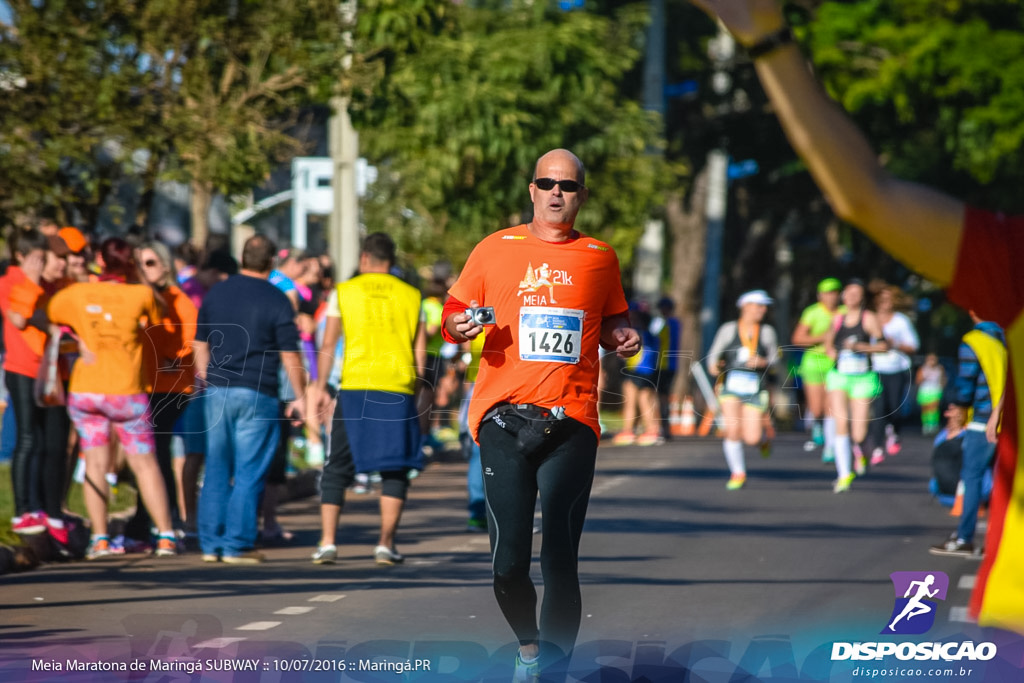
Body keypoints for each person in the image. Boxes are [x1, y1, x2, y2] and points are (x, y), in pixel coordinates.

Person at [692, 0, 1024, 630]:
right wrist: (768, 38)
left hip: (863, 373)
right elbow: (866, 196)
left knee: (842, 420)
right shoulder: (1014, 261)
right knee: (827, 419)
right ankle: (834, 456)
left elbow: (869, 202)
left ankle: (850, 456)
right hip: (1019, 625)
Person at [440, 149, 641, 680]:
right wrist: (457, 327)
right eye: (547, 183)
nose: (557, 193)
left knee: (559, 560)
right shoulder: (494, 247)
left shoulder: (601, 256)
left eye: (568, 186)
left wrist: (622, 335)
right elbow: (454, 310)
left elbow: (615, 318)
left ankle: (552, 671)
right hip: (503, 419)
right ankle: (529, 648)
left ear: (581, 196)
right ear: (531, 190)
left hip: (572, 422)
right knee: (507, 565)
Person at [47, 237, 177, 559]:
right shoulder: (141, 294)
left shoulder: (77, 294)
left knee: (95, 464)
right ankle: (165, 535)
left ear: (100, 262)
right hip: (126, 392)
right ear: (130, 263)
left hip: (87, 391)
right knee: (145, 464)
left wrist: (77, 336)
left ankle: (101, 538)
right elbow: (162, 319)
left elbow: (49, 314)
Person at [311, 232, 426, 566]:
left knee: (337, 466)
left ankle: (328, 543)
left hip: (356, 386)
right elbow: (419, 352)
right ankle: (385, 544)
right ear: (391, 261)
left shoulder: (344, 292)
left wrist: (320, 387)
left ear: (364, 259)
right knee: (395, 469)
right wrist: (417, 391)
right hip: (397, 387)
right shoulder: (412, 295)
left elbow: (329, 344)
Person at [194, 234, 306, 564]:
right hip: (259, 392)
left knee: (215, 467)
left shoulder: (217, 293)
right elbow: (290, 355)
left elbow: (200, 344)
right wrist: (300, 395)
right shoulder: (277, 298)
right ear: (271, 263)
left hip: (217, 390)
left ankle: (210, 544)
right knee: (248, 472)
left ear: (242, 257)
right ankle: (236, 544)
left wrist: (206, 380)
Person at [125, 241, 197, 546]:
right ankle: (148, 521)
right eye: (140, 263)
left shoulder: (177, 299)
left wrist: (169, 356)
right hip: (140, 385)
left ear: (166, 266)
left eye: (151, 263)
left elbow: (190, 341)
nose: (145, 269)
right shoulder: (135, 297)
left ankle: (153, 522)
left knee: (156, 452)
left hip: (170, 388)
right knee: (146, 455)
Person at [929, 313, 1005, 558]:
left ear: (973, 311)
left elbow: (966, 382)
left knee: (971, 477)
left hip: (983, 419)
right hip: (1011, 420)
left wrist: (958, 405)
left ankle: (964, 538)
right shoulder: (1010, 336)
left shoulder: (975, 340)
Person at [707, 290, 779, 490]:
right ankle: (738, 473)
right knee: (732, 429)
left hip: (756, 389)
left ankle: (762, 440)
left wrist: (764, 361)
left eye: (764, 306)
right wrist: (713, 365)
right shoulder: (729, 329)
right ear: (745, 306)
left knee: (752, 437)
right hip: (731, 386)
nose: (762, 310)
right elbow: (713, 355)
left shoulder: (766, 332)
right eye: (758, 305)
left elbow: (777, 359)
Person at [822, 280, 888, 492]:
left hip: (863, 377)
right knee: (841, 422)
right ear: (843, 296)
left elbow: (883, 346)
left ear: (862, 297)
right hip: (839, 376)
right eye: (848, 292)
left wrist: (862, 347)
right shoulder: (837, 318)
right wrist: (831, 351)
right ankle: (844, 473)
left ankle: (863, 450)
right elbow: (828, 342)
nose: (851, 296)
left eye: (856, 293)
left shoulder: (868, 319)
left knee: (859, 432)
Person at [867, 284, 920, 464]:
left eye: (889, 299)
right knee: (879, 409)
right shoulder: (870, 319)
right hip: (876, 370)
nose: (885, 303)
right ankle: (877, 447)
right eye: (882, 299)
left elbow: (913, 346)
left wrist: (894, 344)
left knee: (894, 407)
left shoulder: (901, 321)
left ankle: (894, 430)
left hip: (897, 369)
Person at [792, 277, 843, 460]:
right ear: (820, 295)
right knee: (817, 408)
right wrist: (823, 338)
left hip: (835, 365)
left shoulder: (843, 313)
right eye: (828, 293)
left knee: (832, 407)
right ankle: (817, 425)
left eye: (835, 292)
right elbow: (797, 339)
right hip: (813, 363)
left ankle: (830, 447)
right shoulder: (812, 312)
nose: (832, 296)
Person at [650, 296, 682, 440]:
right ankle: (665, 428)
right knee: (664, 398)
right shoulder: (676, 323)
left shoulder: (659, 322)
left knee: (658, 398)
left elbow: (652, 337)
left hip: (659, 364)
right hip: (671, 364)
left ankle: (659, 428)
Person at [916, 353, 946, 436]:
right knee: (925, 409)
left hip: (935, 391)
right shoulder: (923, 369)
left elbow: (943, 379)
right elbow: (918, 381)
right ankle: (926, 425)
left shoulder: (940, 368)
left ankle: (933, 425)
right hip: (925, 391)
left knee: (933, 409)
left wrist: (941, 388)